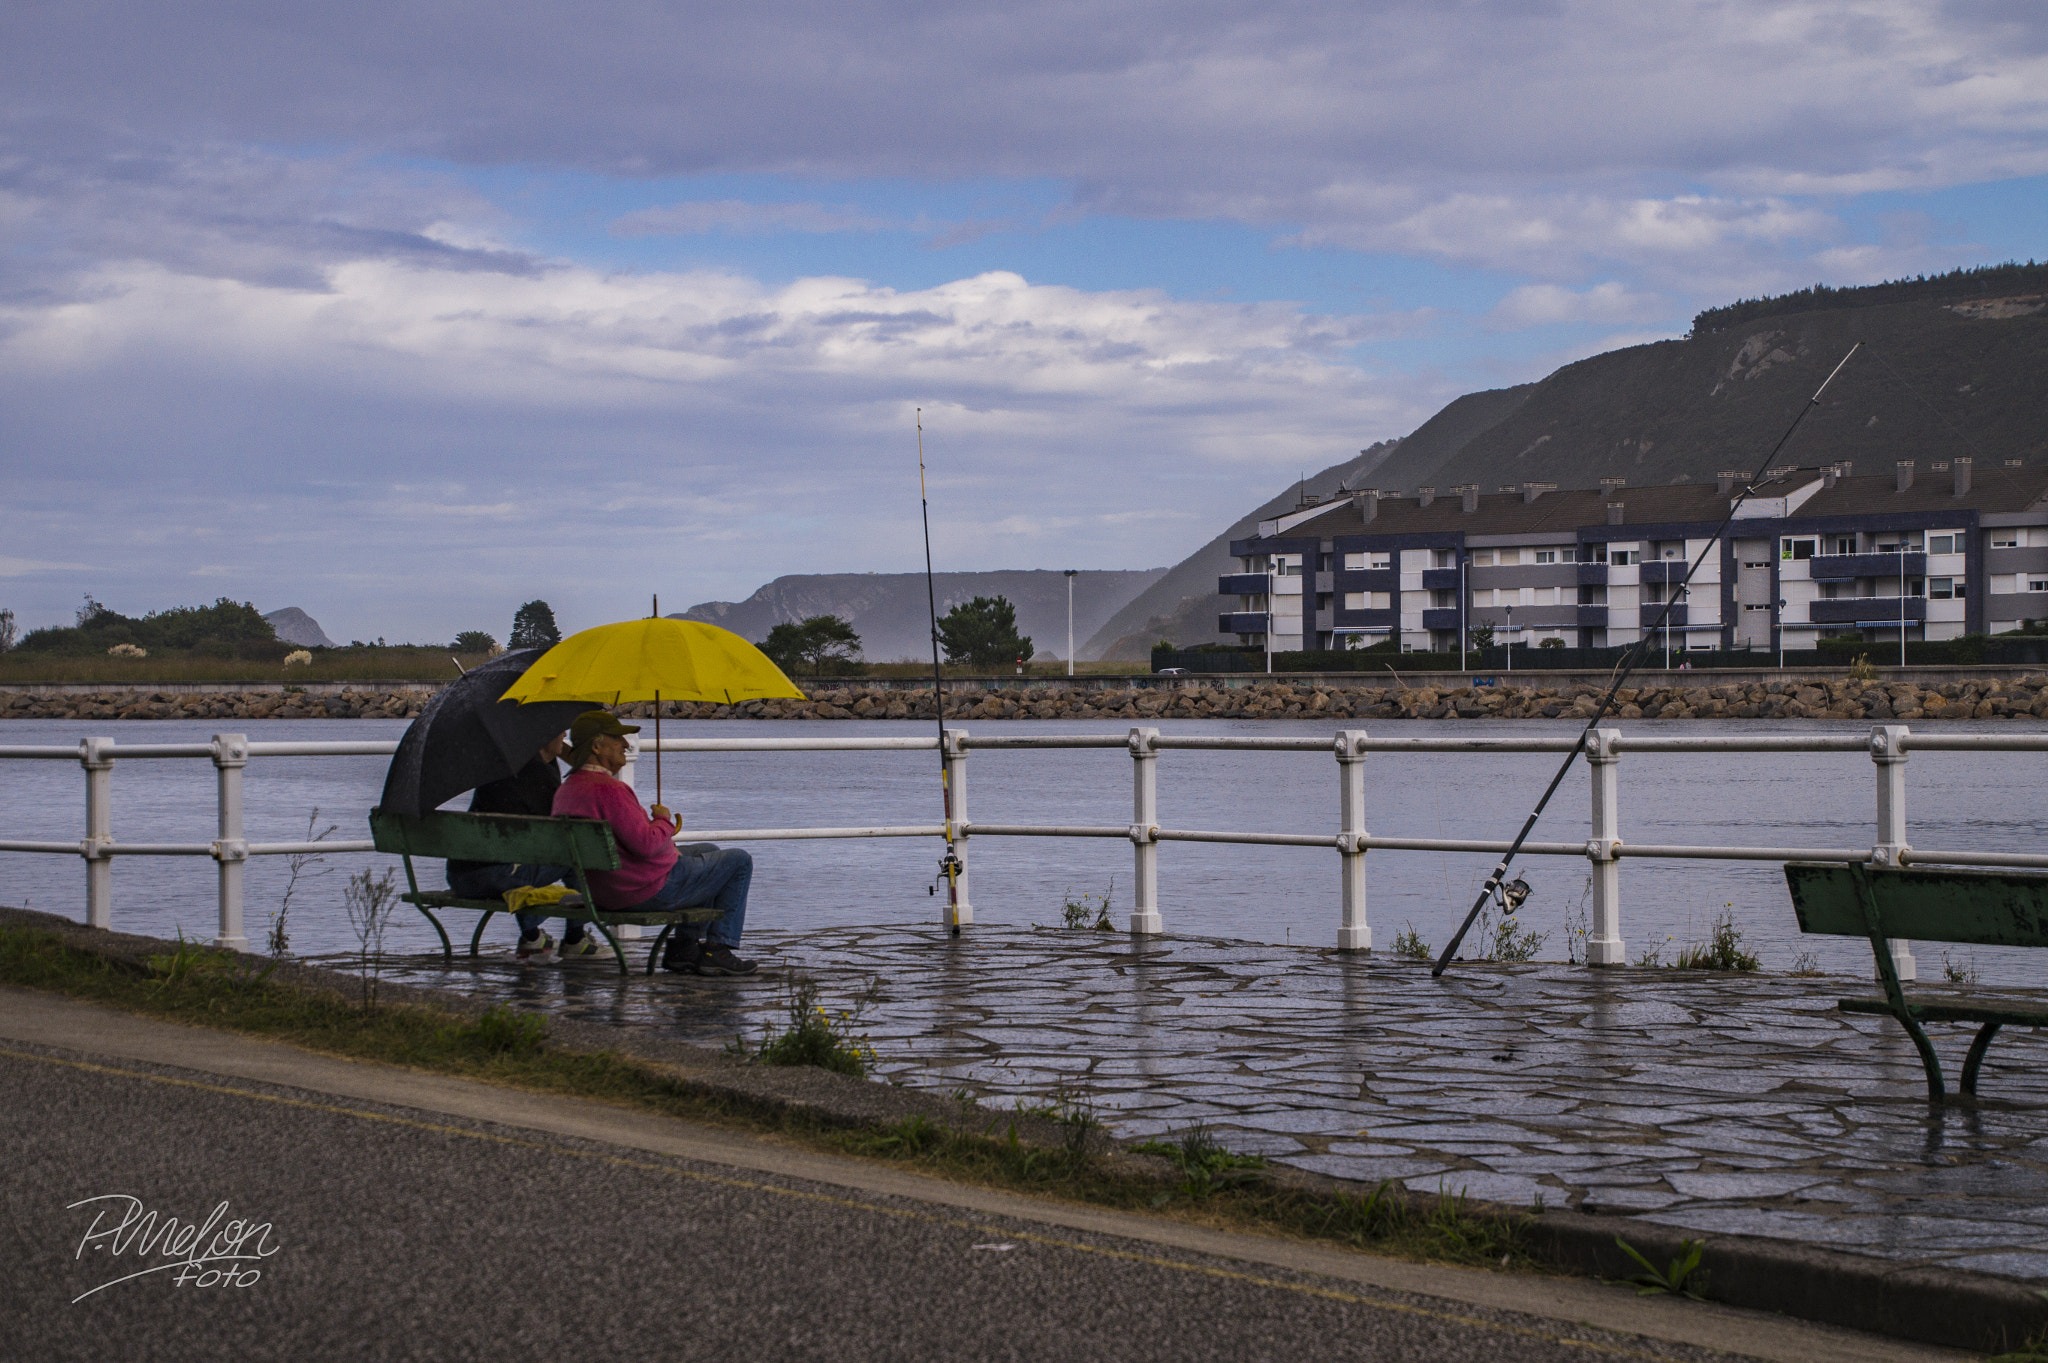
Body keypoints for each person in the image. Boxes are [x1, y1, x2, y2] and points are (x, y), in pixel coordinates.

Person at [552, 710, 757, 976]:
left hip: (601, 889)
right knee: (738, 860)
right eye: (618, 738)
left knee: (709, 850)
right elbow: (646, 845)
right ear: (596, 746)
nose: (626, 744)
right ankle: (718, 948)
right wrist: (662, 821)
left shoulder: (566, 790)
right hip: (641, 890)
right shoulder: (609, 789)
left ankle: (685, 948)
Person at [444, 731, 612, 964]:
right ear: (543, 736)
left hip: (460, 876)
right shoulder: (537, 774)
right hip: (494, 878)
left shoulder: (498, 768)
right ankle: (575, 938)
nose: (564, 736)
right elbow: (565, 829)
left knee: (515, 862)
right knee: (576, 860)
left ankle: (532, 936)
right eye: (560, 733)